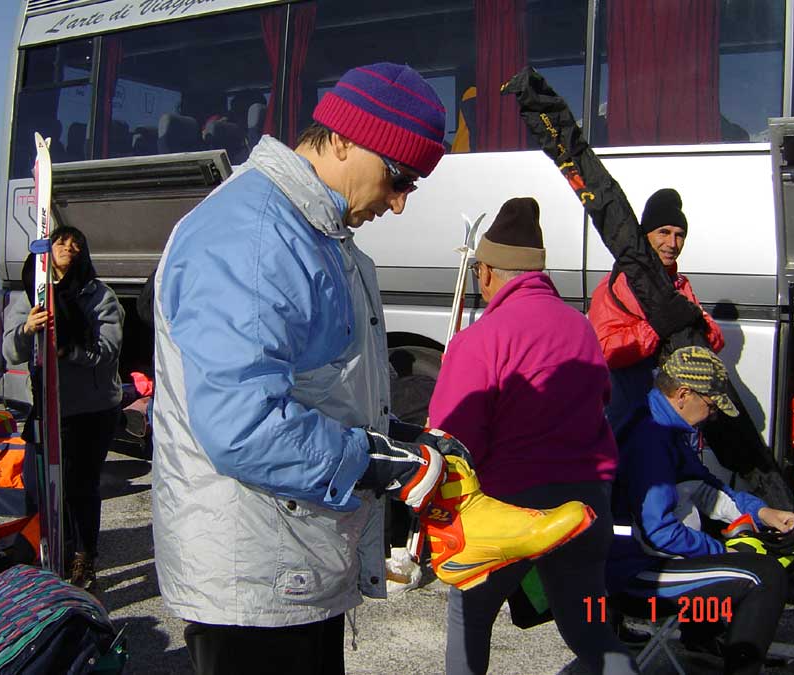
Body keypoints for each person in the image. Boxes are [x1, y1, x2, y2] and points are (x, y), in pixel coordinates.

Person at [151, 63, 591, 675]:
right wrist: (385, 464)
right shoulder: (251, 237)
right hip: (252, 580)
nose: (401, 202)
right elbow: (242, 427)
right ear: (343, 138)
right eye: (399, 176)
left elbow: (322, 393)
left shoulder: (314, 234)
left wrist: (409, 442)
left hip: (293, 558)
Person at [427, 198, 638, 675]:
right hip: (587, 504)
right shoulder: (582, 329)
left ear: (485, 272)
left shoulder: (483, 337)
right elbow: (602, 399)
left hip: (508, 505)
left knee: (470, 620)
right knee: (590, 629)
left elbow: (454, 438)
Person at [609, 346, 794, 675]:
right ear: (684, 394)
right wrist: (727, 551)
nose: (712, 415)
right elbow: (658, 531)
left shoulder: (664, 424)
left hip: (647, 555)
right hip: (634, 572)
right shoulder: (649, 440)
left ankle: (702, 641)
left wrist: (761, 514)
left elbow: (701, 487)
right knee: (763, 576)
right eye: (711, 405)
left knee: (748, 557)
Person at [2, 226, 123, 590]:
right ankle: (57, 548)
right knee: (47, 486)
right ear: (48, 250)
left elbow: (109, 348)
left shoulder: (98, 294)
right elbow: (10, 351)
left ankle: (84, 555)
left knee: (81, 485)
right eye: (61, 242)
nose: (68, 248)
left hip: (93, 407)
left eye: (76, 244)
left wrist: (67, 350)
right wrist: (27, 330)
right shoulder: (30, 292)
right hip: (49, 405)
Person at [588, 188, 724, 430]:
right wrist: (656, 328)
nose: (672, 244)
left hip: (678, 413)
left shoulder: (680, 284)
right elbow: (604, 351)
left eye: (679, 235)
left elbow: (714, 342)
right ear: (646, 235)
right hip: (631, 412)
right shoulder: (617, 284)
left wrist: (699, 324)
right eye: (664, 232)